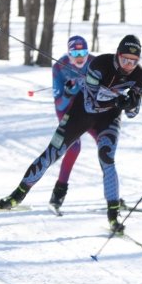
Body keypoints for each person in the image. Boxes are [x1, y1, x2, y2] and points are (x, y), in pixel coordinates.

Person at [0, 34, 142, 234]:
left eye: (133, 61)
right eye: (125, 59)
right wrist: (116, 101)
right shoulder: (99, 65)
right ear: (117, 55)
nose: (128, 65)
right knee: (53, 152)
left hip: (109, 118)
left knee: (107, 157)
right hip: (81, 113)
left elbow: (133, 113)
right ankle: (17, 195)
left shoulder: (139, 75)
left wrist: (131, 104)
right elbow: (90, 104)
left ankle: (113, 215)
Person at [48, 35, 93, 212]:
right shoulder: (59, 67)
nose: (80, 57)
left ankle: (113, 197)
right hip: (67, 110)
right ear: (69, 54)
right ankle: (58, 195)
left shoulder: (95, 63)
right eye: (75, 53)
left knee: (106, 145)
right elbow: (59, 104)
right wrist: (68, 93)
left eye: (83, 52)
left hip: (89, 109)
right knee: (74, 148)